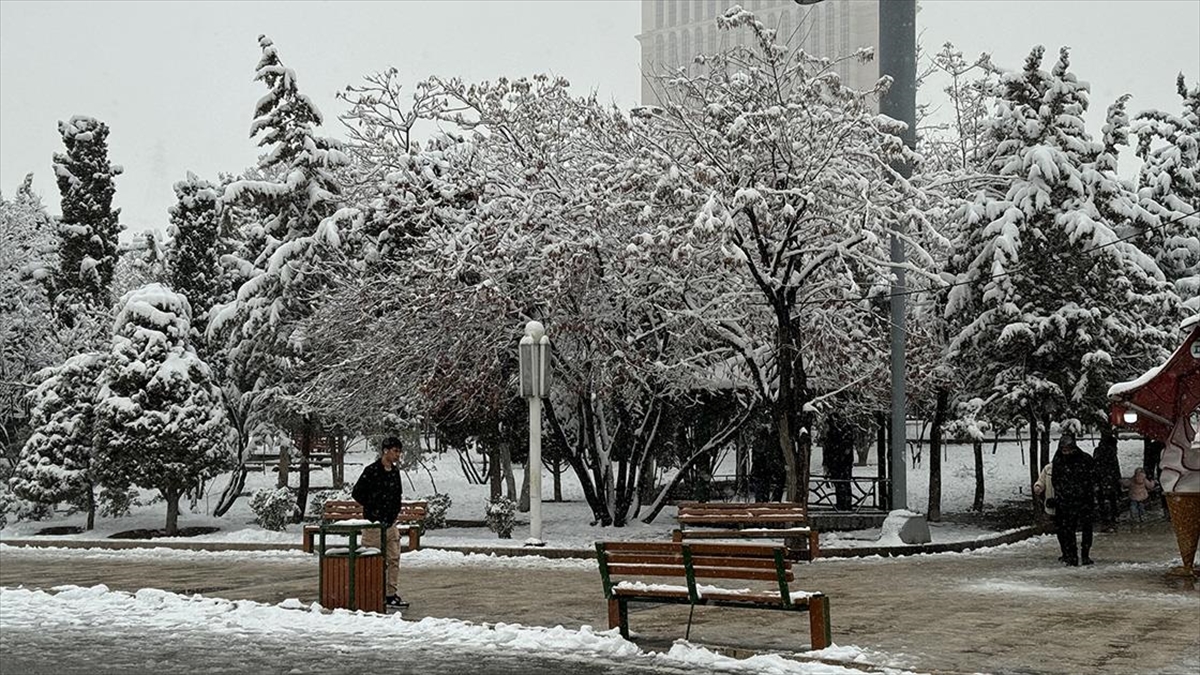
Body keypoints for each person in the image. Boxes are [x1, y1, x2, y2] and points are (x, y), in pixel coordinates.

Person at [352, 436, 408, 609]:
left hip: (390, 524)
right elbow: (357, 493)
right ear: (385, 451)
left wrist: (394, 513)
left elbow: (397, 495)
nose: (398, 455)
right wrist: (374, 507)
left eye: (399, 451)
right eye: (395, 451)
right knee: (371, 560)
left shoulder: (395, 472)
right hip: (373, 525)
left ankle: (390, 594)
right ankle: (370, 593)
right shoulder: (371, 471)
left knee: (394, 559)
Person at [1048, 431, 1097, 566]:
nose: (1065, 451)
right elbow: (1056, 480)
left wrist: (1085, 492)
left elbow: (1092, 477)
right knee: (1068, 529)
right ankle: (1072, 556)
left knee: (1085, 528)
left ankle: (1085, 554)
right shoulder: (1059, 460)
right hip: (1067, 501)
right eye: (1063, 449)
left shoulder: (1084, 459)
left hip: (1084, 499)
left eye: (1067, 449)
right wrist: (1062, 494)